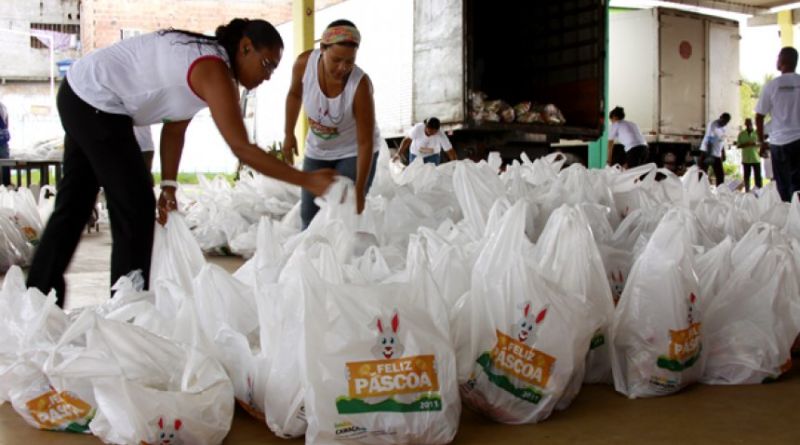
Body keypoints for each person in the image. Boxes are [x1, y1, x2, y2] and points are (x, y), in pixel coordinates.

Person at [26, 18, 336, 308]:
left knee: (76, 203)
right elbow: (241, 148)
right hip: (96, 100)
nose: (267, 77)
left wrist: (170, 186)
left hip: (81, 92)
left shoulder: (207, 62)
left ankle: (38, 298)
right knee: (135, 208)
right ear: (245, 48)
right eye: (266, 65)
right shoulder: (213, 69)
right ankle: (126, 308)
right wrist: (306, 180)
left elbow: (175, 128)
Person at [281, 19, 381, 229]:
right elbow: (293, 95)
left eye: (349, 61)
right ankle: (314, 260)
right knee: (309, 215)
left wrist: (360, 192)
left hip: (352, 151)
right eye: (336, 60)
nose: (343, 67)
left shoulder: (360, 86)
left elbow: (365, 143)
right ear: (322, 49)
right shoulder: (304, 64)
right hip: (317, 150)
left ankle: (341, 261)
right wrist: (288, 133)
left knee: (341, 213)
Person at [756, 46, 800, 202]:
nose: (777, 60)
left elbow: (759, 116)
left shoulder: (772, 86)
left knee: (783, 187)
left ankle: (789, 218)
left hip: (778, 144)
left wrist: (761, 142)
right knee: (797, 186)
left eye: (778, 57)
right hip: (798, 142)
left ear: (783, 60)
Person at [393, 117, 457, 165]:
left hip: (432, 156)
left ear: (437, 130)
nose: (430, 133)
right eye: (429, 131)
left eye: (433, 132)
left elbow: (450, 151)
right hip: (416, 154)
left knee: (431, 176)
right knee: (414, 175)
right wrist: (398, 154)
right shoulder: (418, 128)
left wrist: (456, 164)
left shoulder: (440, 134)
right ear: (426, 126)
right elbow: (407, 140)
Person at [699, 112, 731, 186]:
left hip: (717, 153)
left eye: (726, 122)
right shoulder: (713, 125)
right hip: (707, 152)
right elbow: (709, 140)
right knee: (702, 173)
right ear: (720, 117)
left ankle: (720, 192)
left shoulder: (724, 128)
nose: (724, 123)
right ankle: (699, 189)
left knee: (720, 175)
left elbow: (722, 141)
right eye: (723, 121)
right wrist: (709, 155)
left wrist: (723, 153)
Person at [736, 118, 762, 192]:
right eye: (747, 123)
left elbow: (761, 143)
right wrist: (746, 144)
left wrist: (755, 144)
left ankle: (759, 191)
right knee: (747, 177)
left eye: (750, 123)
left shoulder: (756, 133)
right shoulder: (741, 134)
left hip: (756, 158)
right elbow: (738, 146)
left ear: (752, 123)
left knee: (758, 177)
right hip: (746, 159)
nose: (748, 125)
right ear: (745, 124)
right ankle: (747, 191)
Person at [0, 100, 11, 187]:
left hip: (3, 142)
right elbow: (7, 124)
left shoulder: (2, 107)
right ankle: (6, 186)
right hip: (3, 141)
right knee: (5, 166)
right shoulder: (3, 107)